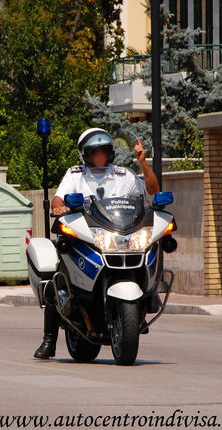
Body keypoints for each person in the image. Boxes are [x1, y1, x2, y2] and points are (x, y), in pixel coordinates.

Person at [34, 128, 159, 360]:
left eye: (104, 151)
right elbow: (58, 199)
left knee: (151, 248)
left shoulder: (123, 175)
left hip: (118, 235)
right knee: (57, 280)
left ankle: (145, 300)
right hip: (85, 237)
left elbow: (152, 191)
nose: (100, 155)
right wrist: (59, 207)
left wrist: (143, 164)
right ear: (86, 154)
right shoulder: (75, 175)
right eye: (95, 152)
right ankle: (49, 341)